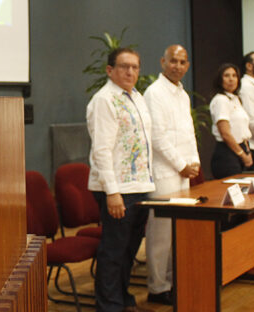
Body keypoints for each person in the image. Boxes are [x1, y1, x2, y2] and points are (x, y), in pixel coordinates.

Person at [87, 47, 155, 312]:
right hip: (116, 189)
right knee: (114, 251)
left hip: (139, 185)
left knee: (129, 249)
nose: (130, 72)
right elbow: (101, 150)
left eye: (135, 67)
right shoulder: (105, 100)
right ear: (110, 70)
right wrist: (112, 192)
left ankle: (122, 297)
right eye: (124, 66)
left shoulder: (136, 97)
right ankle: (109, 305)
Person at [142, 45, 200, 306]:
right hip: (165, 172)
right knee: (161, 234)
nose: (177, 66)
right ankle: (157, 288)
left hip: (184, 171)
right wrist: (180, 164)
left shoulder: (182, 94)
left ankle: (171, 281)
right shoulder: (154, 93)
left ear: (187, 66)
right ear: (162, 62)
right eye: (173, 61)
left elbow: (188, 132)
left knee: (177, 231)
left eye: (182, 62)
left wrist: (194, 162)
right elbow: (157, 137)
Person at [209, 63, 253, 179]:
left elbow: (243, 130)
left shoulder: (236, 99)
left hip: (240, 150)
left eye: (234, 76)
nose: (231, 79)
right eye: (226, 76)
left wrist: (247, 152)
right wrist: (242, 155)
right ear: (220, 79)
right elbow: (225, 134)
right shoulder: (221, 100)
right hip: (227, 154)